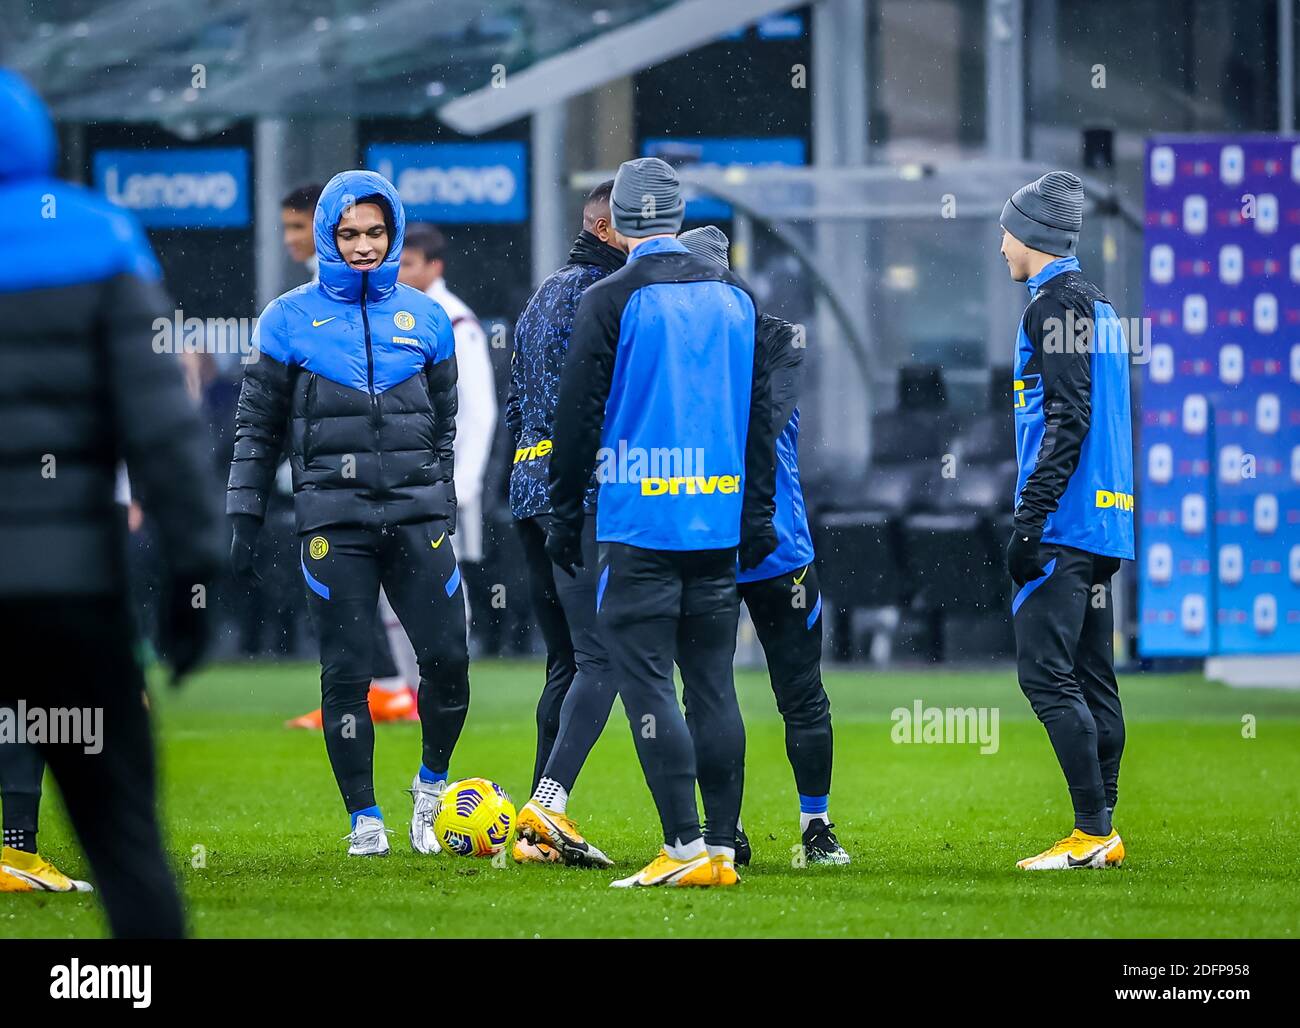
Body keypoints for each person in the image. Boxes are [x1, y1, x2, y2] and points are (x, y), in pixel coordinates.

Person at [0, 69, 219, 935]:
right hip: (71, 595)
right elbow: (164, 433)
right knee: (125, 844)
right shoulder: (99, 239)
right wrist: (196, 574)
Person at [546, 158, 779, 888]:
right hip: (716, 521)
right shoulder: (737, 296)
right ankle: (718, 844)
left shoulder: (612, 298)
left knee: (645, 679)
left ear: (618, 221)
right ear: (678, 216)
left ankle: (681, 850)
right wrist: (759, 513)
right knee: (711, 684)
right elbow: (761, 422)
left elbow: (577, 415)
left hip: (639, 520)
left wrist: (562, 510)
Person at [227, 170, 467, 858]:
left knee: (448, 660)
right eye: (349, 233)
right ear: (331, 235)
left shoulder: (427, 318)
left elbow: (444, 423)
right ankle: (365, 820)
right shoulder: (286, 319)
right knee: (346, 673)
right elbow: (255, 428)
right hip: (334, 523)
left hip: (419, 519)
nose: (363, 246)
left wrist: (441, 501)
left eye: (376, 233)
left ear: (392, 234)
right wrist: (242, 512)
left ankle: (431, 793)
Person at [677, 227, 850, 866]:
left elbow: (758, 426)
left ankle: (816, 826)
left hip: (775, 547)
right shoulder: (710, 341)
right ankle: (728, 827)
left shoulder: (774, 341)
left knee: (799, 692)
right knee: (709, 692)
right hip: (708, 544)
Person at [998, 171, 1134, 871]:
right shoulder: (1101, 306)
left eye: (1007, 230)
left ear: (1032, 235)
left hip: (1064, 524)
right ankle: (1102, 826)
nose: (1001, 246)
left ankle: (1090, 832)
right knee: (1091, 677)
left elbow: (1067, 418)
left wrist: (1030, 519)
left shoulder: (1052, 306)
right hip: (1106, 522)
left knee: (1046, 677)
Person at [506, 181, 624, 867]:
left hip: (529, 489)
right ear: (608, 229)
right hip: (581, 494)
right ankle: (548, 805)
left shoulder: (544, 292)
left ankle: (532, 830)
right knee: (600, 659)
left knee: (564, 663)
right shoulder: (608, 299)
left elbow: (522, 403)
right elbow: (595, 407)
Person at [281, 182, 416, 729]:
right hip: (336, 479)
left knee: (394, 593)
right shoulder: (299, 305)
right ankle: (384, 689)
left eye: (296, 226)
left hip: (390, 476)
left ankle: (397, 691)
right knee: (353, 591)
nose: (291, 239)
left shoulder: (403, 306)